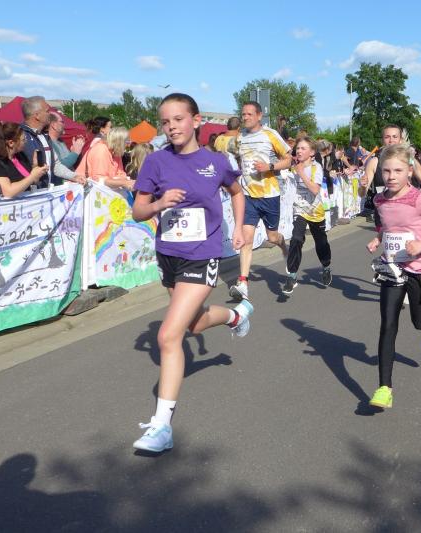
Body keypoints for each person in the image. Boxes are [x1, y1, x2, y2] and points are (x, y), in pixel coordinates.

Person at [130, 93, 251, 453]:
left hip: (203, 254)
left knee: (169, 336)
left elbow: (236, 192)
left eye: (178, 119)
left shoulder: (215, 161)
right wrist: (158, 203)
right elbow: (137, 211)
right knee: (194, 325)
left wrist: (239, 227)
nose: (172, 127)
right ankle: (235, 315)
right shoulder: (155, 161)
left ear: (196, 121)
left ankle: (162, 427)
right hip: (169, 255)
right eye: (165, 122)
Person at [365, 143, 421, 409]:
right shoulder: (380, 200)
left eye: (397, 171)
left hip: (419, 268)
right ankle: (384, 388)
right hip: (392, 268)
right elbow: (388, 226)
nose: (391, 176)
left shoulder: (419, 199)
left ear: (409, 172)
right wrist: (378, 238)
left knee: (417, 320)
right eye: (386, 171)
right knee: (387, 324)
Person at [227, 101, 292, 303]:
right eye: (243, 114)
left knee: (272, 237)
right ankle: (243, 283)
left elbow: (289, 159)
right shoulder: (240, 138)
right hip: (248, 196)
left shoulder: (270, 135)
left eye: (249, 114)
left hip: (269, 195)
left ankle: (284, 246)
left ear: (259, 115)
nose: (245, 117)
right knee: (247, 240)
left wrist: (269, 166)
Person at [360, 125, 421, 229]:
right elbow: (362, 193)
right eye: (387, 137)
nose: (391, 140)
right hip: (385, 215)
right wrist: (363, 187)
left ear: (401, 140)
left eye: (395, 137)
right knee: (388, 239)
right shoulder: (374, 162)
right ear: (382, 140)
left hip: (408, 213)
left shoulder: (410, 161)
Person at [282, 137, 332, 294]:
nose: (299, 151)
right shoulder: (293, 165)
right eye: (298, 148)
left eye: (303, 148)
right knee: (296, 239)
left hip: (315, 210)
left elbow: (315, 190)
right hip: (299, 209)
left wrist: (301, 173)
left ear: (312, 152)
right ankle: (292, 276)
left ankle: (326, 266)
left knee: (321, 242)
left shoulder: (316, 167)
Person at [0, 121, 49, 198]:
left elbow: (32, 182)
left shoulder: (20, 156)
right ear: (11, 143)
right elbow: (8, 192)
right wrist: (32, 176)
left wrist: (36, 168)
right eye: (23, 139)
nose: (26, 141)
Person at [77, 127, 135, 191]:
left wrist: (127, 182)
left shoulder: (116, 152)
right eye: (127, 141)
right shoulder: (100, 150)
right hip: (86, 189)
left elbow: (121, 173)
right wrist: (124, 183)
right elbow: (99, 180)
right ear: (119, 142)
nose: (128, 145)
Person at [19, 96, 57, 187]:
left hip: (46, 191)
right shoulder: (19, 136)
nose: (50, 114)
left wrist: (74, 176)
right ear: (37, 115)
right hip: (29, 192)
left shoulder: (45, 136)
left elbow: (55, 164)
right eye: (47, 111)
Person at [46, 112, 86, 185]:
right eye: (62, 122)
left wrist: (74, 152)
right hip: (59, 186)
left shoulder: (60, 141)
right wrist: (75, 153)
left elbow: (70, 164)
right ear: (54, 125)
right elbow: (59, 166)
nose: (64, 125)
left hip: (70, 183)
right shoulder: (48, 143)